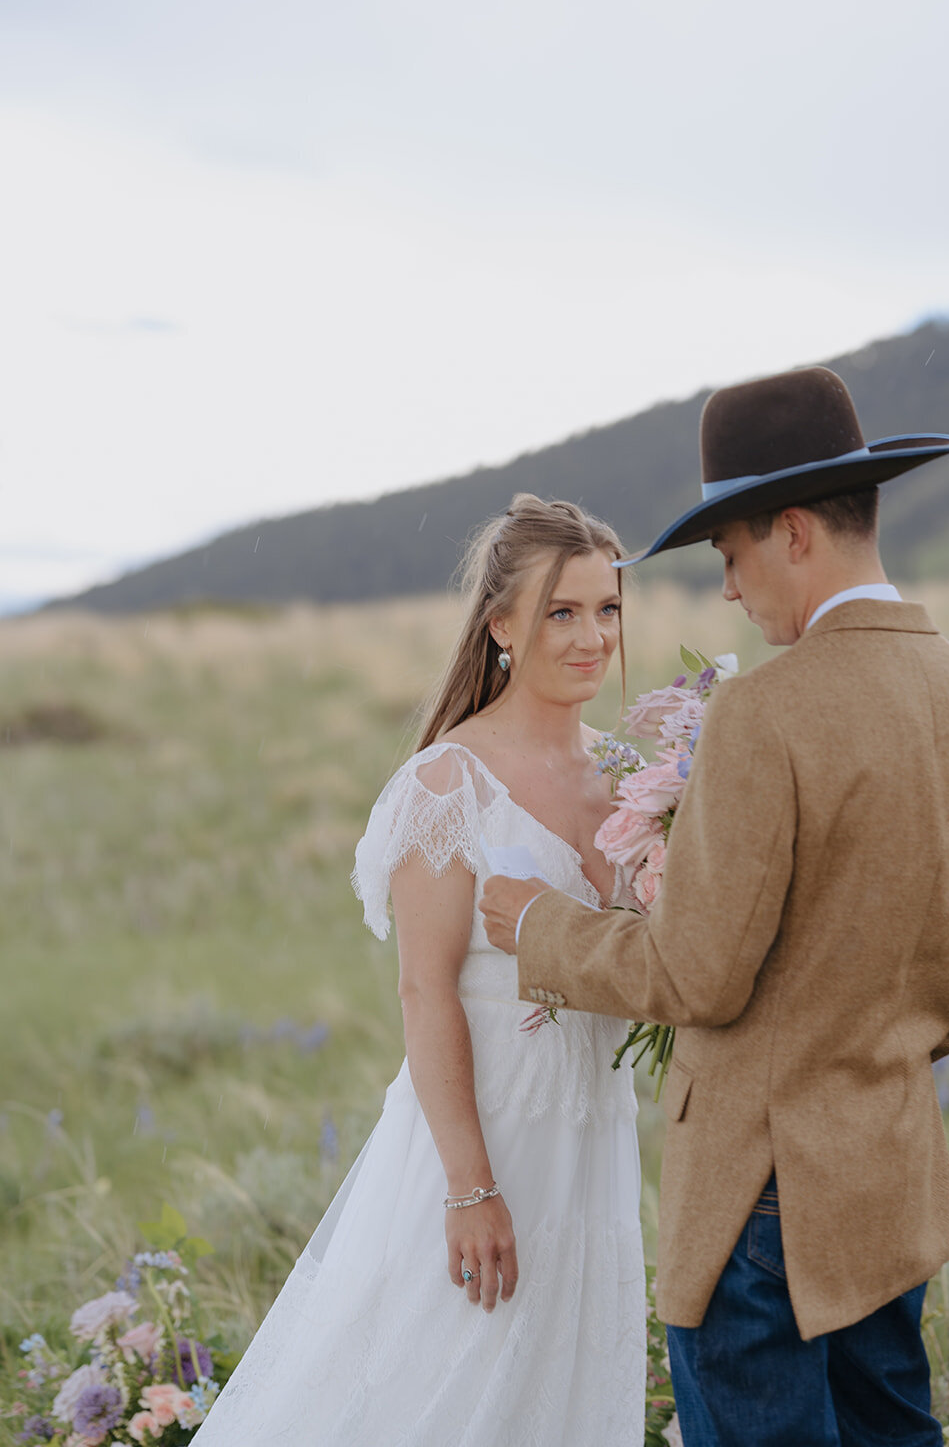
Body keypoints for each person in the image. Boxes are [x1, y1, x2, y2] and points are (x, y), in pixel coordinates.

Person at [480, 368, 949, 1447]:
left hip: (759, 1203)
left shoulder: (764, 714)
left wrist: (534, 927)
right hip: (886, 1180)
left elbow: (696, 973)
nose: (731, 594)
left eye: (731, 556)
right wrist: (872, 1033)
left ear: (794, 531)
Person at [192, 494, 646, 1447]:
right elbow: (424, 989)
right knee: (440, 1392)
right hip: (481, 1137)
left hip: (592, 1135)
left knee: (553, 1392)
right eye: (561, 612)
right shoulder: (451, 782)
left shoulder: (634, 776)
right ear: (501, 627)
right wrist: (470, 1188)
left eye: (606, 609)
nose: (591, 636)